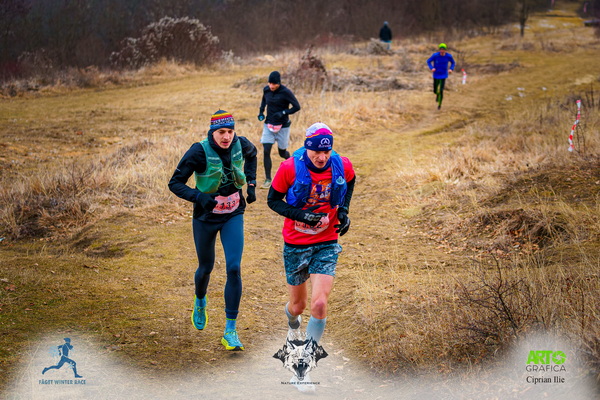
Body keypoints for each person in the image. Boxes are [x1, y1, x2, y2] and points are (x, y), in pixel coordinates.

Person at [168, 110, 257, 351]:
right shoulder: (198, 151)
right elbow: (174, 183)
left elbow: (252, 155)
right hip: (205, 218)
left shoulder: (241, 143)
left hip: (233, 214)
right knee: (205, 267)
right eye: (221, 132)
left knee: (234, 268)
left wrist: (251, 183)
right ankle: (200, 300)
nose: (227, 137)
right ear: (212, 132)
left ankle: (230, 331)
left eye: (230, 131)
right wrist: (198, 197)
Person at [267, 122, 356, 346]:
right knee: (298, 306)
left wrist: (343, 210)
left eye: (327, 151)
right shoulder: (289, 167)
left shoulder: (341, 164)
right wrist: (302, 216)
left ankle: (308, 356)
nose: (322, 157)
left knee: (319, 304)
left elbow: (351, 179)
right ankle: (292, 320)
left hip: (326, 241)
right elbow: (273, 201)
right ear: (307, 147)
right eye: (317, 151)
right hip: (296, 243)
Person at [257, 71, 301, 189]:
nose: (271, 86)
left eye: (274, 84)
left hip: (283, 126)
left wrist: (283, 112)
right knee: (266, 150)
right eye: (270, 83)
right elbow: (264, 101)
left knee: (282, 153)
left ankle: (292, 163)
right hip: (269, 124)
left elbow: (297, 107)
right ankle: (268, 179)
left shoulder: (286, 92)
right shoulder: (266, 90)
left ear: (279, 83)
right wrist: (261, 112)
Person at [426, 43, 455, 110]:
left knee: (441, 90)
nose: (442, 51)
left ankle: (439, 105)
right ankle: (437, 94)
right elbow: (428, 61)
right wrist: (432, 68)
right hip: (436, 74)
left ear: (445, 50)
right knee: (435, 90)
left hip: (443, 74)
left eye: (443, 49)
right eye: (441, 49)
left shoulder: (448, 56)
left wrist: (451, 69)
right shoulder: (435, 55)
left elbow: (453, 63)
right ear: (439, 50)